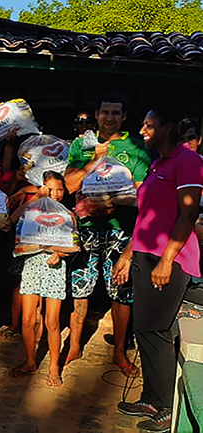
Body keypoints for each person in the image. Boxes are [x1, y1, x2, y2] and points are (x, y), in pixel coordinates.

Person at [114, 106, 203, 433]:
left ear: (168, 128)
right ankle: (152, 397)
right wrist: (127, 254)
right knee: (144, 329)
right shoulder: (156, 165)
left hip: (170, 260)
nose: (143, 129)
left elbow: (187, 215)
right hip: (144, 257)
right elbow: (145, 218)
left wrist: (167, 260)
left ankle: (166, 407)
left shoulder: (188, 161)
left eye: (149, 125)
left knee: (157, 332)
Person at [63, 93, 151, 375]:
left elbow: (142, 194)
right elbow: (69, 185)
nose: (110, 117)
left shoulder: (136, 146)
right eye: (105, 112)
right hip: (86, 228)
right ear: (97, 115)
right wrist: (92, 160)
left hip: (121, 230)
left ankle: (119, 352)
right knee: (80, 287)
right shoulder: (82, 144)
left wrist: (110, 204)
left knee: (122, 290)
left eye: (116, 113)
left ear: (124, 117)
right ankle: (75, 345)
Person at [8, 171, 72, 388]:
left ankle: (54, 366)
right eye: (50, 189)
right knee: (28, 319)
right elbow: (13, 220)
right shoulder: (31, 212)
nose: (56, 193)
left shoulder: (67, 215)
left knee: (52, 322)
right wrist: (36, 196)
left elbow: (74, 245)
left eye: (60, 189)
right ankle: (30, 361)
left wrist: (58, 253)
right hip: (32, 266)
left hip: (55, 268)